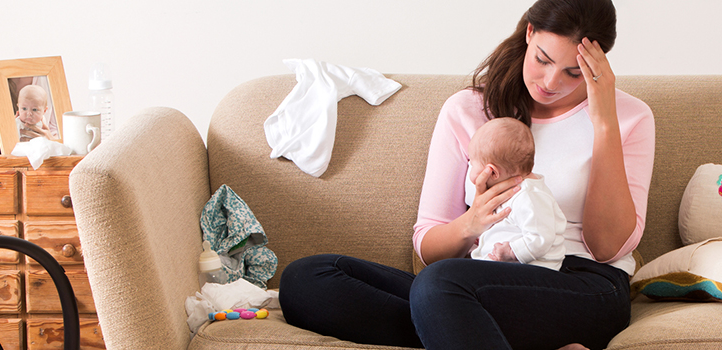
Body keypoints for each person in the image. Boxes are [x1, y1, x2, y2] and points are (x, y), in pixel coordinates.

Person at [279, 0, 655, 348]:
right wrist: (471, 223)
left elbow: (608, 247)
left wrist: (603, 121)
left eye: (574, 72)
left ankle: (450, 320)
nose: (551, 82)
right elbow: (427, 245)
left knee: (439, 287)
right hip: (479, 280)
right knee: (307, 278)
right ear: (528, 33)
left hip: (583, 285)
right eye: (542, 59)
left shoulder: (629, 117)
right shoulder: (468, 109)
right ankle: (464, 326)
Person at [466, 117, 567, 270]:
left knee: (442, 275)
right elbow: (510, 227)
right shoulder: (510, 193)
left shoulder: (529, 196)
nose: (470, 169)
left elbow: (541, 237)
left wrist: (511, 251)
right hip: (503, 267)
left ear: (492, 172)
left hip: (532, 270)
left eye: (472, 163)